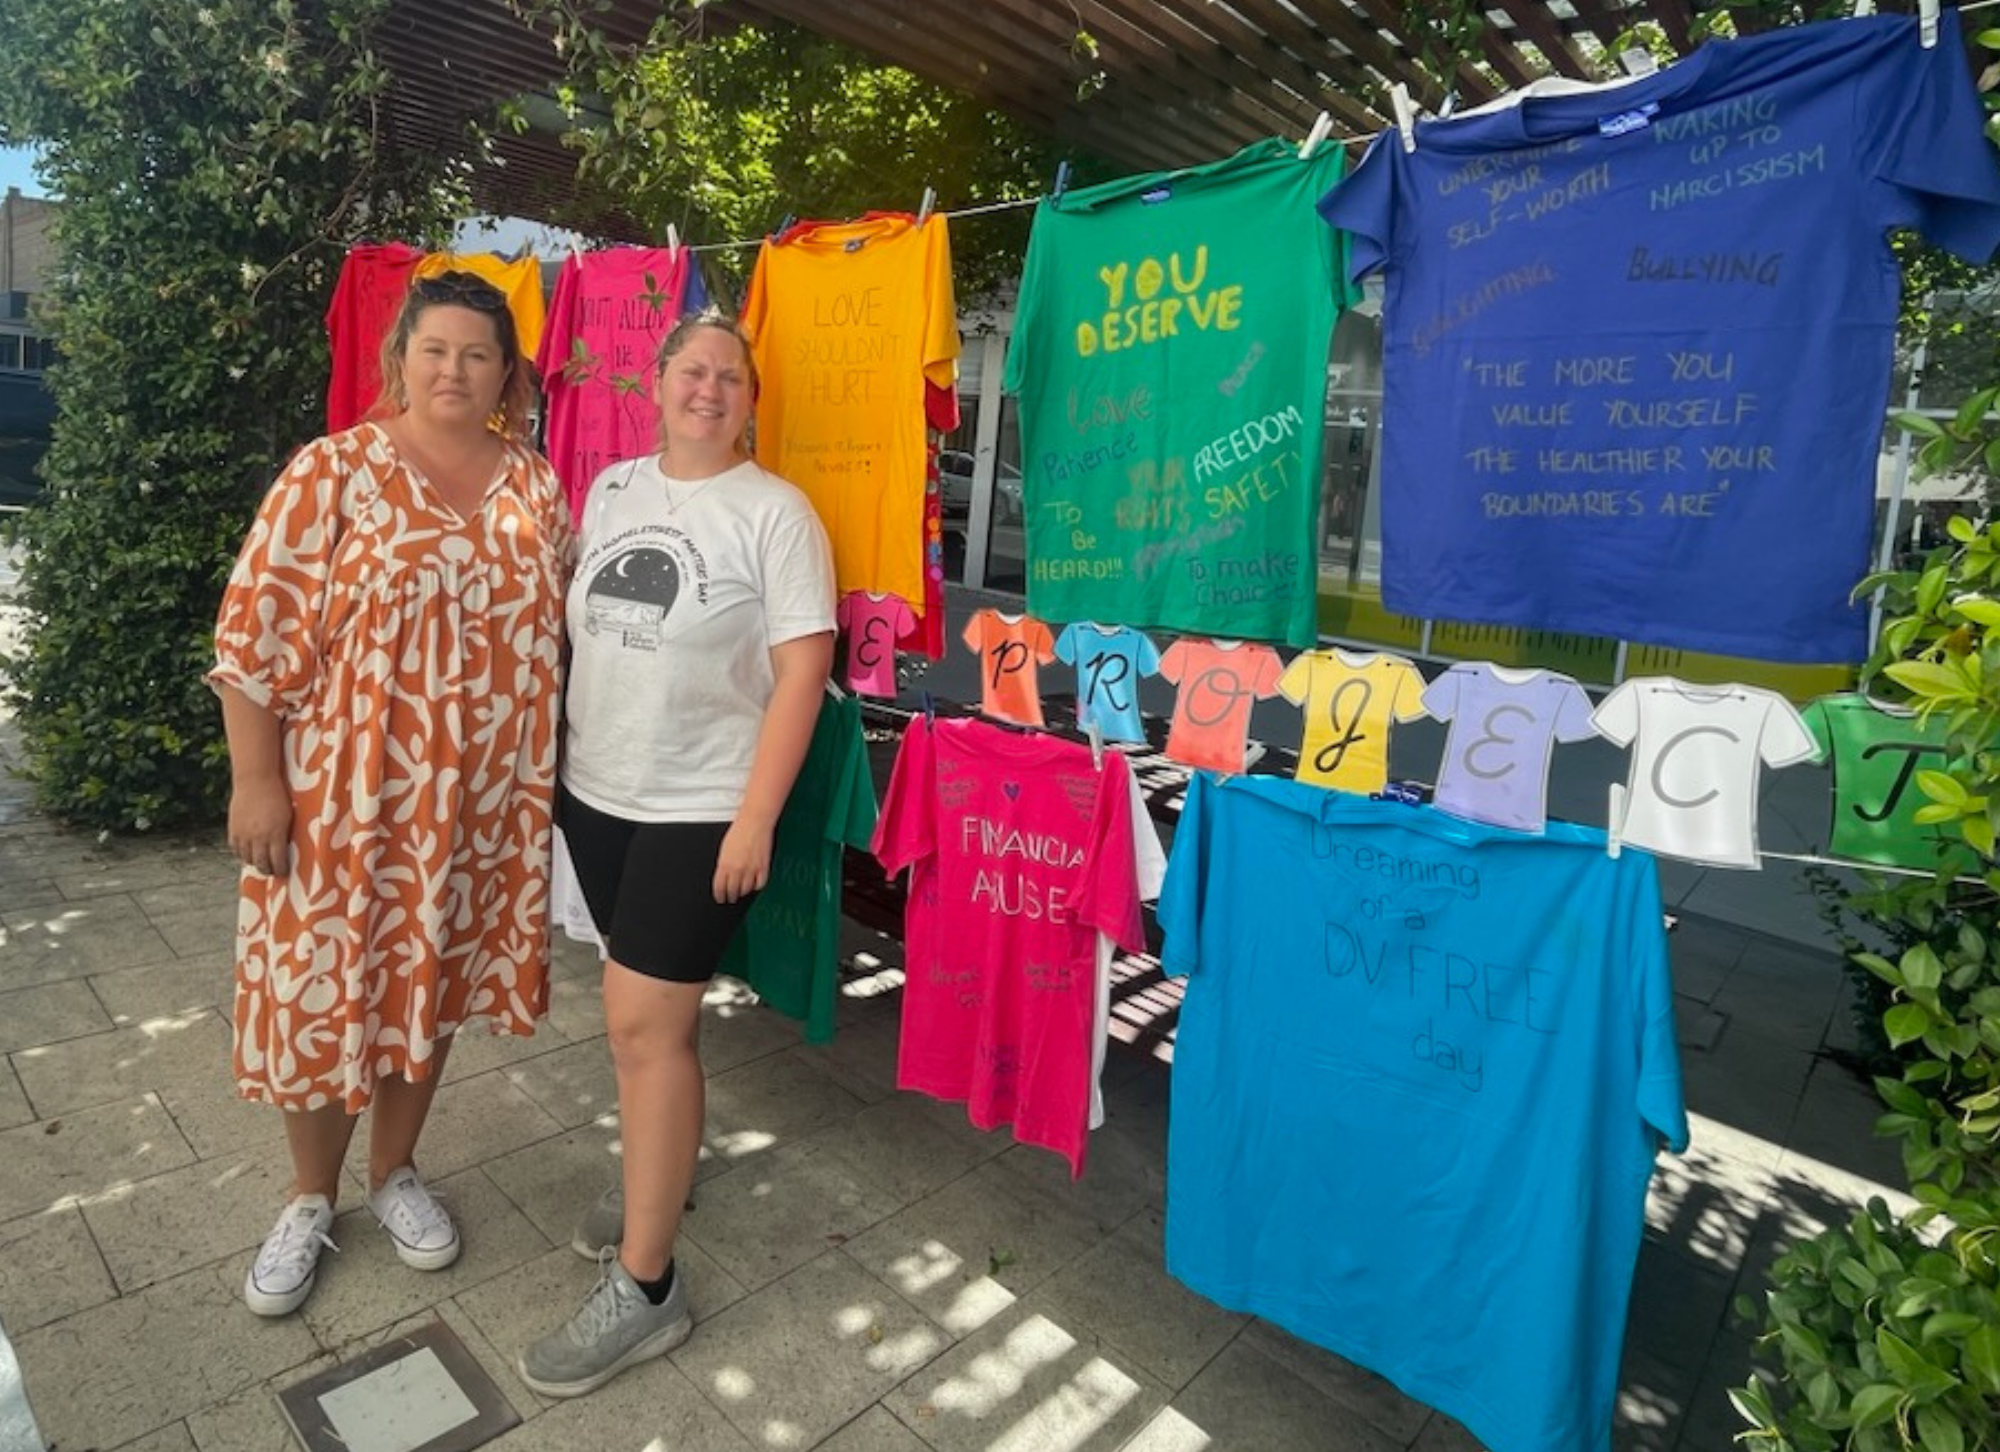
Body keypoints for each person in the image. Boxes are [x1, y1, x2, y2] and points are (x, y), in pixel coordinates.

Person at [209, 270, 572, 1317]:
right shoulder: (332, 472)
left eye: (476, 353)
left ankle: (396, 1172)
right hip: (343, 794)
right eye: (436, 349)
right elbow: (252, 639)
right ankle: (310, 1196)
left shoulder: (536, 488)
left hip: (484, 802)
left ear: (506, 371)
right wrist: (257, 777)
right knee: (326, 986)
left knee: (435, 980)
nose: (455, 369)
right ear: (399, 358)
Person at [518, 309, 835, 1398]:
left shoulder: (776, 514)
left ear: (752, 399)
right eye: (692, 370)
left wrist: (755, 817)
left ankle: (647, 1286)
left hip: (701, 806)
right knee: (644, 1029)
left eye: (731, 377)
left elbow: (802, 673)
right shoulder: (609, 489)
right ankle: (658, 1175)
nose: (710, 388)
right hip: (595, 792)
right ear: (656, 381)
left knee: (642, 1027)